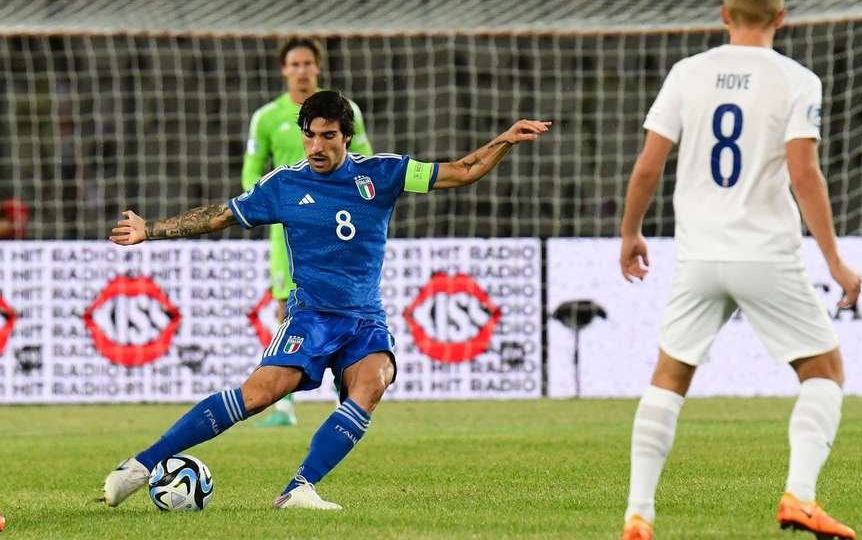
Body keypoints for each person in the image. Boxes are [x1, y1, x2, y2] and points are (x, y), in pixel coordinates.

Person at [103, 90, 551, 511]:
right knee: (258, 395)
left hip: (364, 319)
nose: (316, 146)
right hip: (311, 317)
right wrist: (151, 229)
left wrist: (505, 140)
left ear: (347, 136)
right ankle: (141, 465)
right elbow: (219, 216)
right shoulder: (283, 185)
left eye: (328, 136)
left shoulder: (384, 173)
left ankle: (298, 489)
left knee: (375, 380)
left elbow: (464, 170)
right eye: (309, 135)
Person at [618, 0, 860, 540]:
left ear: (725, 15)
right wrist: (834, 260)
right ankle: (800, 497)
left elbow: (649, 165)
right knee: (823, 370)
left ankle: (638, 515)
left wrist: (630, 233)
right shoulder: (797, 79)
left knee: (669, 376)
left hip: (699, 253)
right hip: (766, 253)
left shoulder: (687, 73)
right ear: (781, 17)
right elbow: (805, 174)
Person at [242, 36, 373, 428]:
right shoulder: (267, 117)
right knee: (287, 306)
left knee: (346, 301)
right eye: (294, 64)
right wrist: (269, 202)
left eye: (307, 64)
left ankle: (346, 394)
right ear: (284, 70)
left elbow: (365, 161)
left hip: (338, 223)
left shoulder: (345, 112)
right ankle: (283, 404)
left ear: (317, 67)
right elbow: (250, 172)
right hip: (291, 228)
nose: (301, 71)